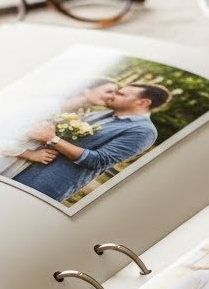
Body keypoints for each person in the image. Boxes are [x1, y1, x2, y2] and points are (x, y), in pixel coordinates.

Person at [12, 82, 170, 202]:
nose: (113, 95)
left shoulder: (143, 131)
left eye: (121, 94)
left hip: (44, 184)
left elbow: (99, 160)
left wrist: (52, 139)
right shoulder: (103, 114)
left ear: (143, 102)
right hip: (22, 168)